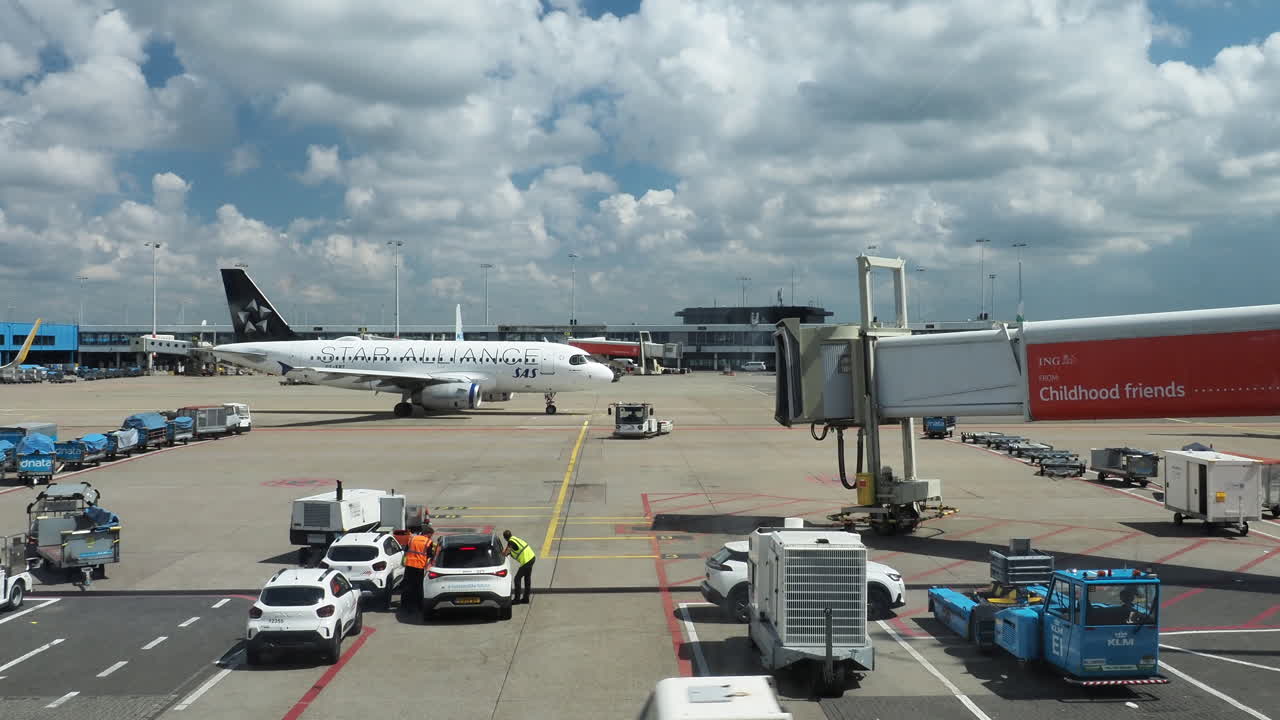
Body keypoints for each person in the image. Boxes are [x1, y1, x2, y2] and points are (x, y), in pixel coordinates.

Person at [501, 529, 537, 604]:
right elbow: (511, 551)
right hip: (532, 557)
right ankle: (526, 599)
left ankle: (517, 599)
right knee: (527, 578)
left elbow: (506, 552)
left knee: (517, 579)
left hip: (527, 561)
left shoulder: (510, 542)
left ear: (505, 538)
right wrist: (507, 552)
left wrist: (502, 552)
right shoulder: (515, 539)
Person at [401, 527, 431, 612]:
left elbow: (406, 550)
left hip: (409, 565)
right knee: (418, 586)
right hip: (419, 567)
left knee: (407, 585)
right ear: (428, 534)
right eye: (430, 536)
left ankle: (405, 605)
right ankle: (418, 605)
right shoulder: (428, 542)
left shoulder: (412, 539)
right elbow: (430, 555)